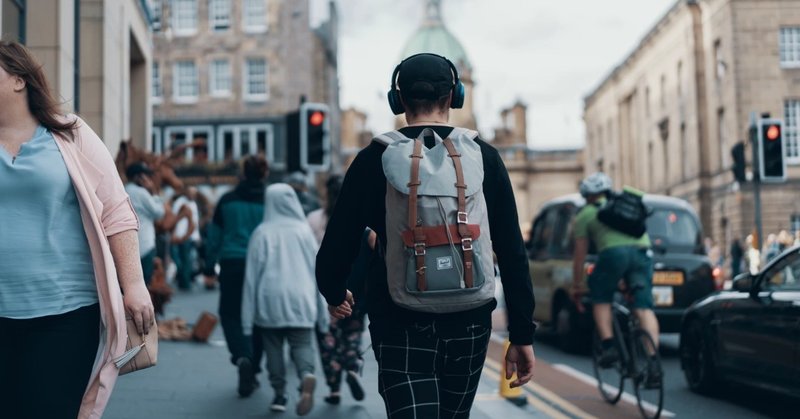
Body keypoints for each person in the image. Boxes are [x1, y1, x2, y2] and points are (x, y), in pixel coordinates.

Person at [316, 53, 536, 418]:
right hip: (470, 319)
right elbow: (512, 251)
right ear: (454, 97)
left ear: (398, 100)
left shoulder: (374, 158)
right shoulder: (485, 156)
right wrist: (522, 334)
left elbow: (338, 241)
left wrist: (334, 291)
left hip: (398, 317)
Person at [0, 40, 154, 418]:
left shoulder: (71, 134)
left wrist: (133, 284)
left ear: (19, 80)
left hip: (64, 315)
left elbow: (117, 211)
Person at [242, 183, 329, 415]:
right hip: (302, 299)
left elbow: (251, 277)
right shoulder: (304, 233)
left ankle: (280, 394)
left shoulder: (262, 233)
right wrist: (322, 313)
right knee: (302, 344)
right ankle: (306, 375)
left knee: (273, 349)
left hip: (270, 300)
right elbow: (316, 270)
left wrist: (246, 318)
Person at [570, 173, 661, 386]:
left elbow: (579, 255)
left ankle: (609, 347)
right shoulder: (625, 206)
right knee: (643, 308)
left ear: (587, 196)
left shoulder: (585, 215)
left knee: (601, 297)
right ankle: (654, 363)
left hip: (613, 255)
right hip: (642, 254)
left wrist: (577, 285)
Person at [205, 155, 268, 397]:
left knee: (230, 314)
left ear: (242, 174)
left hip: (232, 263)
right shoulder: (269, 200)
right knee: (259, 318)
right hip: (262, 266)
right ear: (263, 174)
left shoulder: (227, 200)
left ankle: (242, 356)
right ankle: (253, 367)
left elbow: (214, 236)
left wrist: (210, 266)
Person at [309, 175, 371, 405]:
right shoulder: (363, 219)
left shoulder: (315, 220)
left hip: (327, 290)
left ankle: (334, 388)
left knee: (328, 341)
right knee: (352, 334)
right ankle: (353, 365)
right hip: (357, 291)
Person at [125, 162, 166, 285]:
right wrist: (153, 192)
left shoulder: (123, 189)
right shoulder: (141, 193)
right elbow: (159, 212)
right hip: (145, 244)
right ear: (139, 177)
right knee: (146, 282)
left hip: (129, 244)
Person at [171, 186, 200, 290]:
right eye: (191, 193)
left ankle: (184, 281)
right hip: (182, 235)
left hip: (191, 236)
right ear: (186, 193)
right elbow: (175, 219)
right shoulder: (180, 202)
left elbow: (194, 221)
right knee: (185, 260)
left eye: (194, 193)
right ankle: (184, 282)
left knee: (189, 260)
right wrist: (175, 234)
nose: (193, 195)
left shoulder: (193, 203)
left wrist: (197, 236)